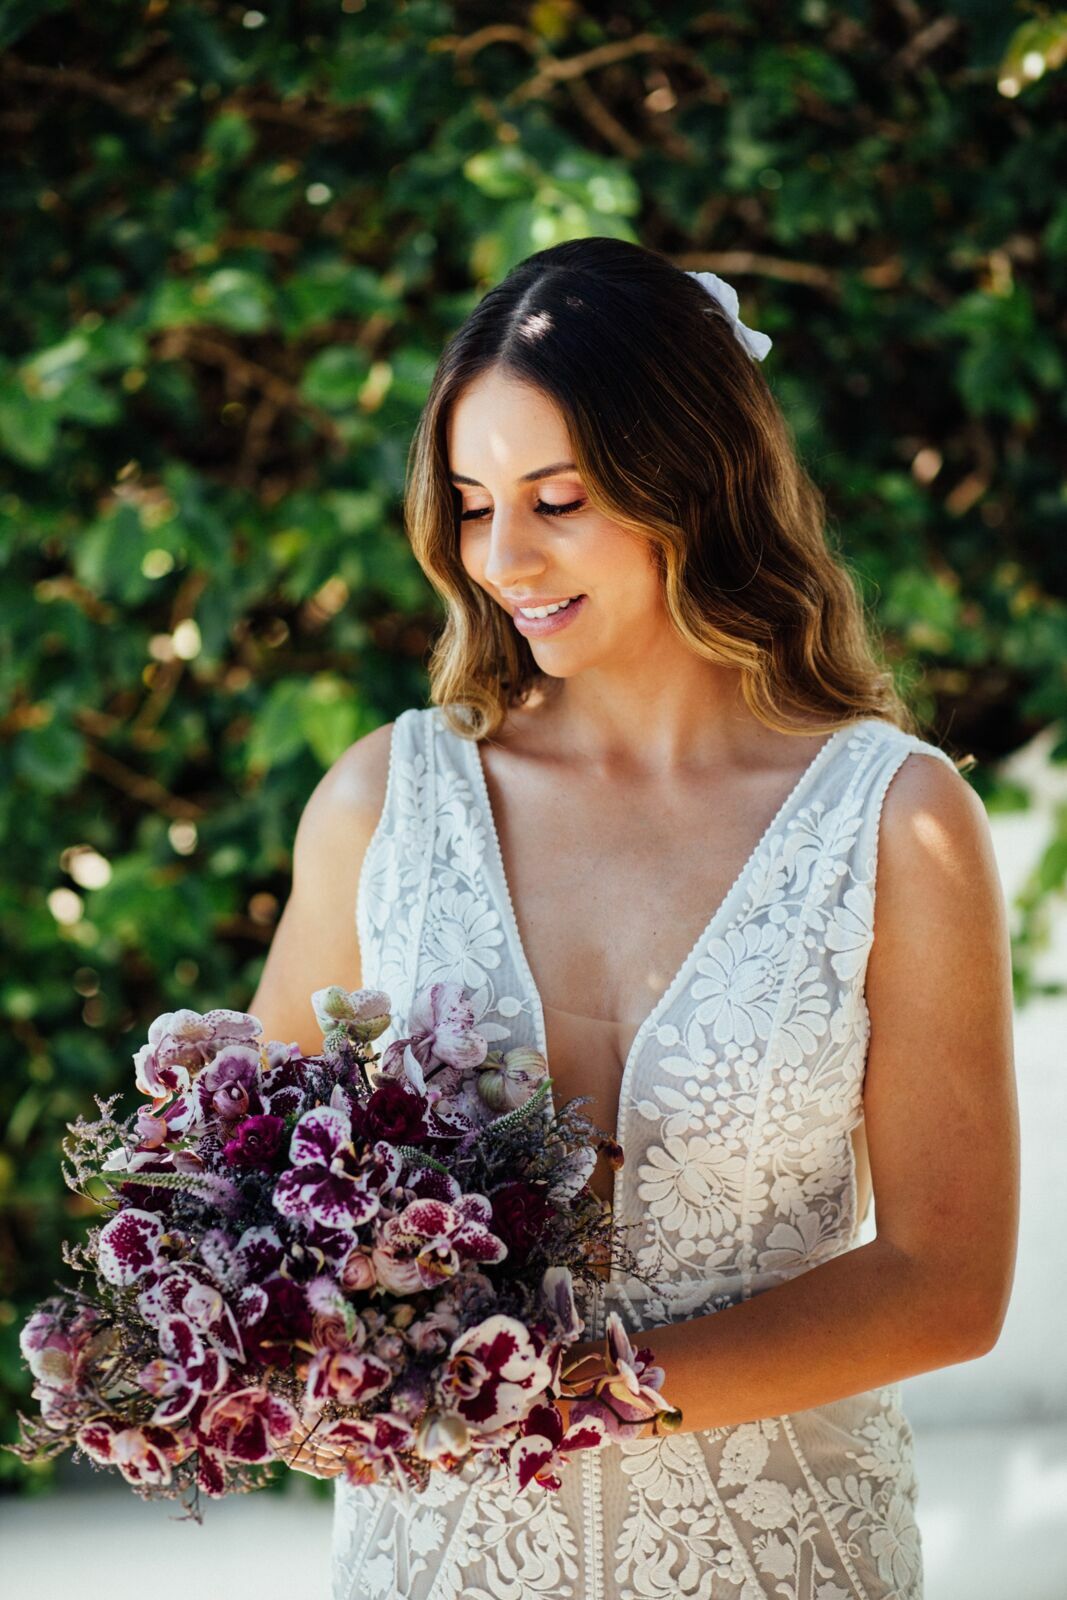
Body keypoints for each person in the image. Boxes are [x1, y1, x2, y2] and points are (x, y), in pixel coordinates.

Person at [248, 236, 1019, 1600]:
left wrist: (579, 1395)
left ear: (697, 484)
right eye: (474, 506)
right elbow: (252, 1198)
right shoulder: (385, 803)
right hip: (441, 1565)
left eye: (558, 500)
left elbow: (946, 1278)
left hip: (786, 1566)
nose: (505, 557)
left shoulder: (896, 823)